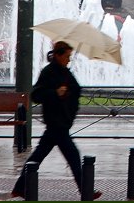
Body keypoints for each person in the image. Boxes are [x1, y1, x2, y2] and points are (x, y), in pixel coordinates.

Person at [10, 42, 100, 200]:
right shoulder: (48, 72)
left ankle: (19, 188)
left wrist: (67, 92)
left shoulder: (65, 72)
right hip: (56, 123)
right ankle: (86, 192)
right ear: (58, 55)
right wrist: (56, 92)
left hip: (60, 124)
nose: (68, 60)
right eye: (66, 56)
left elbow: (75, 90)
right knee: (73, 156)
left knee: (38, 157)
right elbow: (36, 95)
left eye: (70, 56)